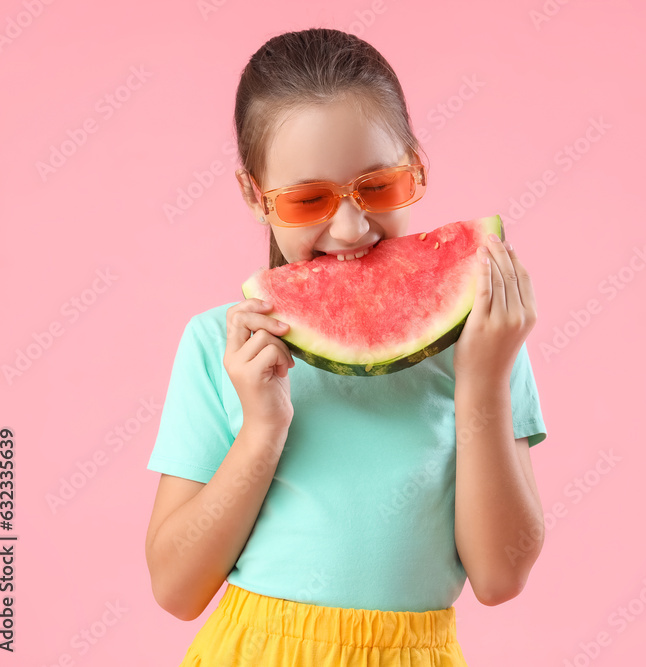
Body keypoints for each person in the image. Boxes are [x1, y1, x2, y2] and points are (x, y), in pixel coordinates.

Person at [143, 28, 550, 666]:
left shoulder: (488, 339)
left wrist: (483, 382)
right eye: (308, 199)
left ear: (417, 166)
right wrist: (262, 428)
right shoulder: (217, 348)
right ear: (255, 195)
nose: (352, 228)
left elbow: (501, 578)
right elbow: (175, 588)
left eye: (379, 187)